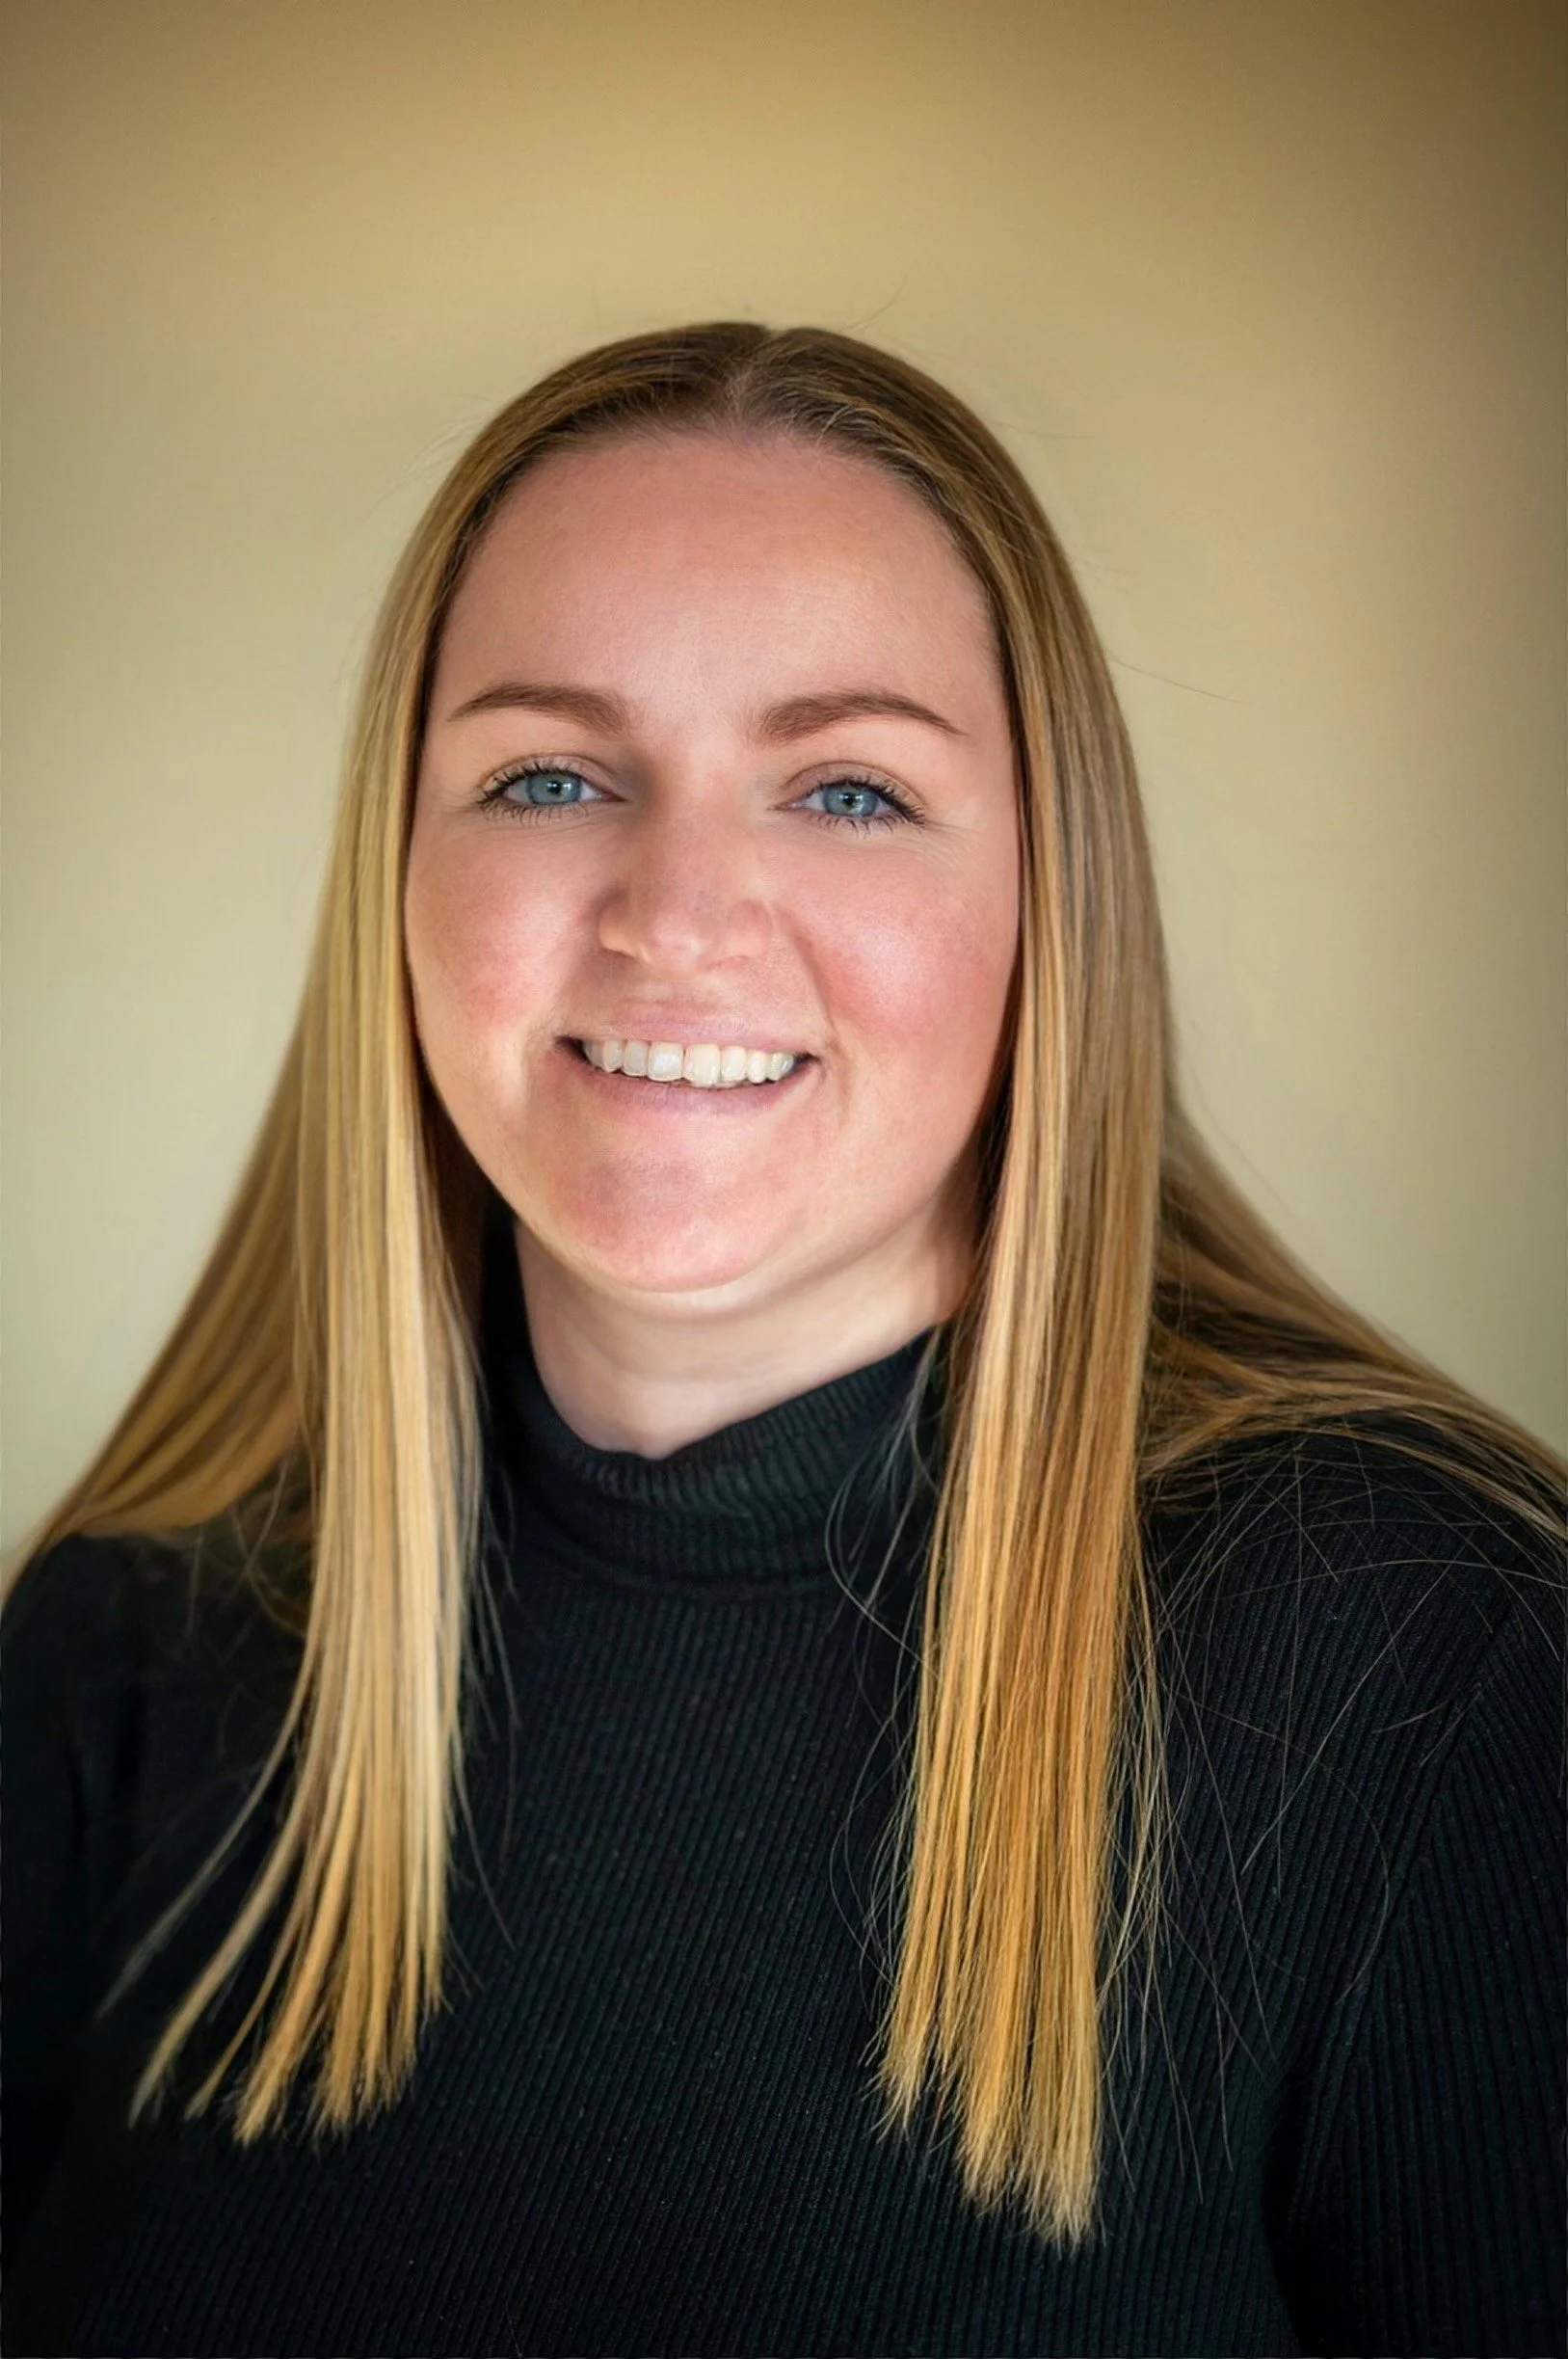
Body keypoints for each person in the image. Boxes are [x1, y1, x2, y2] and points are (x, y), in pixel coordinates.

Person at [3, 321, 1562, 2359]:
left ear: (1047, 903)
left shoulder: (1433, 1663)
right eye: (549, 773)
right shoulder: (132, 1637)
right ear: (398, 873)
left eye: (847, 787)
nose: (678, 910)